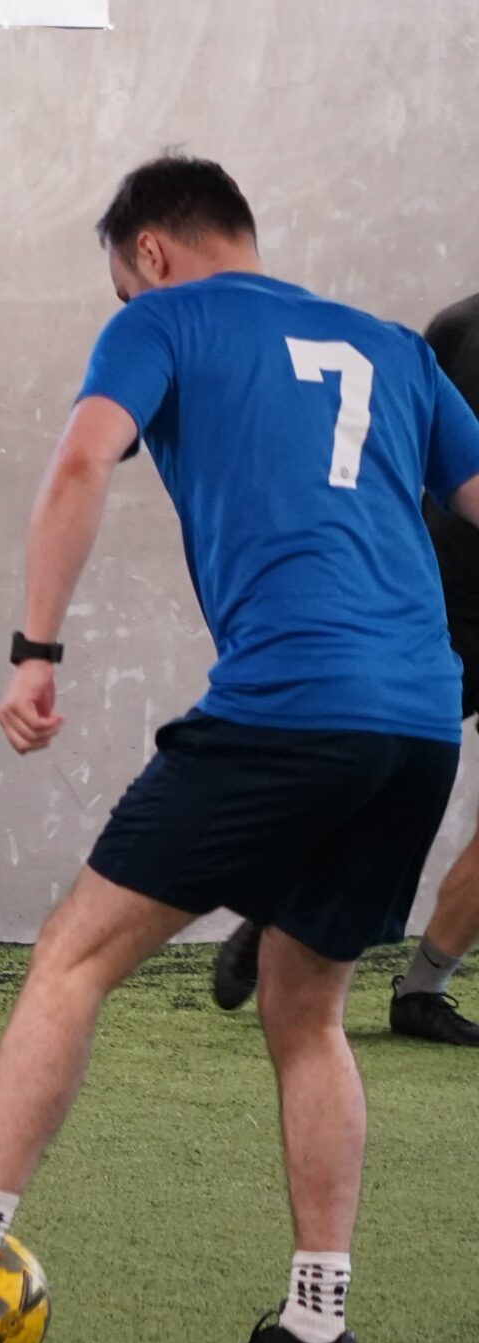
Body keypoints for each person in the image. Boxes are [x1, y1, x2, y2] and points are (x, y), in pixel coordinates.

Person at [0, 156, 479, 1343]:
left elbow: (82, 462)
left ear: (148, 250)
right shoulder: (394, 347)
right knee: (306, 1007)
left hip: (288, 701)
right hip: (418, 718)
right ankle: (314, 1333)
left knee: (72, 958)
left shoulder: (163, 320)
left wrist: (33, 649)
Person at [209, 290, 479, 1047]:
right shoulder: (461, 328)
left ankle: (422, 990)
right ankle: (281, 900)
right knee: (367, 774)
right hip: (443, 599)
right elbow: (399, 444)